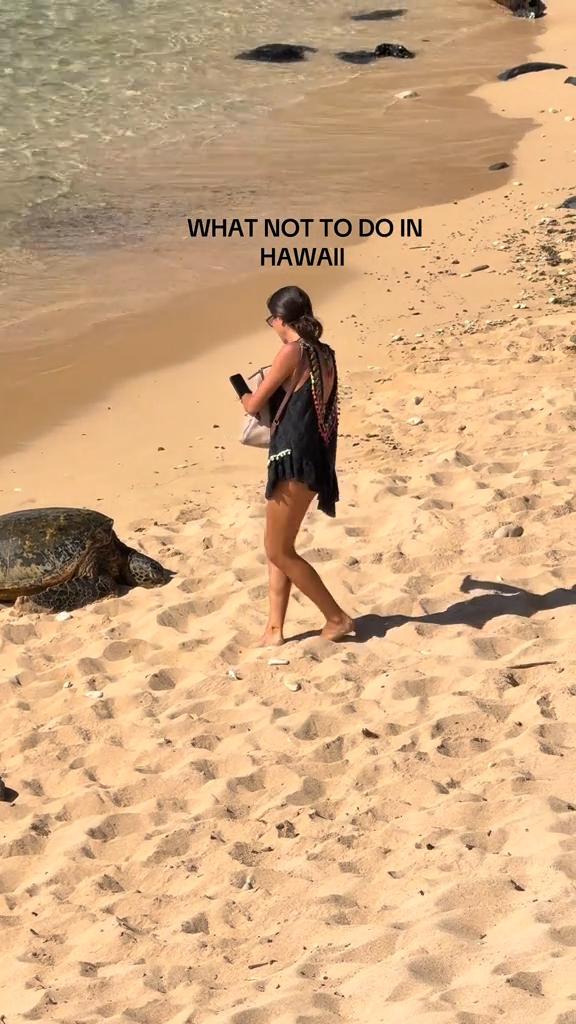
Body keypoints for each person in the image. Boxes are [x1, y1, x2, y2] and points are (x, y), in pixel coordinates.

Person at [239, 285, 355, 646]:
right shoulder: (325, 353)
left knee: (278, 550)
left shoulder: (291, 351)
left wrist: (243, 393)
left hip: (293, 457)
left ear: (279, 318)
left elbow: (253, 404)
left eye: (271, 319)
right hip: (313, 456)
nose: (272, 325)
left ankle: (336, 618)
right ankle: (274, 629)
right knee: (279, 544)